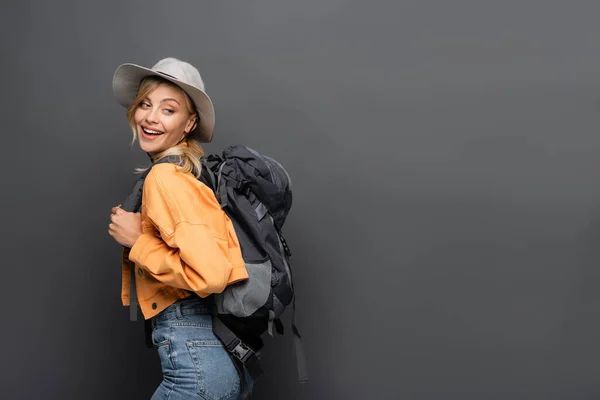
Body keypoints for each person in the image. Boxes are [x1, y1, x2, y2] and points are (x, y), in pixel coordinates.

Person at [108, 57, 253, 399]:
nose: (151, 117)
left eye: (168, 109)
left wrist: (138, 241)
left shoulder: (165, 177)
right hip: (215, 357)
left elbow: (213, 273)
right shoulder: (187, 175)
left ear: (189, 123)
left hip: (195, 368)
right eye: (145, 104)